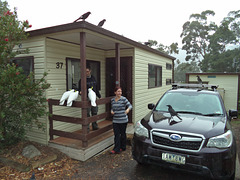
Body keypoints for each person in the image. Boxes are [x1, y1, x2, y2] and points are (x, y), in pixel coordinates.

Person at [110, 87, 132, 154]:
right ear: (115, 92)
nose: (119, 93)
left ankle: (123, 147)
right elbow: (112, 108)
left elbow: (130, 106)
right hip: (115, 120)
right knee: (116, 135)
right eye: (118, 91)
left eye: (120, 91)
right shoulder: (112, 100)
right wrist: (111, 111)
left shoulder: (123, 99)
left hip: (123, 120)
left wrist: (128, 109)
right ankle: (116, 149)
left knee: (122, 134)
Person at [78, 66, 101, 131]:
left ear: (90, 71)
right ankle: (87, 128)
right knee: (87, 113)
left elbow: (96, 88)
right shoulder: (81, 80)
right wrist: (80, 93)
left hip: (94, 98)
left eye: (87, 71)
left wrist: (99, 96)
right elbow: (79, 90)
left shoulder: (93, 78)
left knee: (95, 112)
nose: (86, 73)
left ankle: (95, 125)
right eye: (85, 72)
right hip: (86, 99)